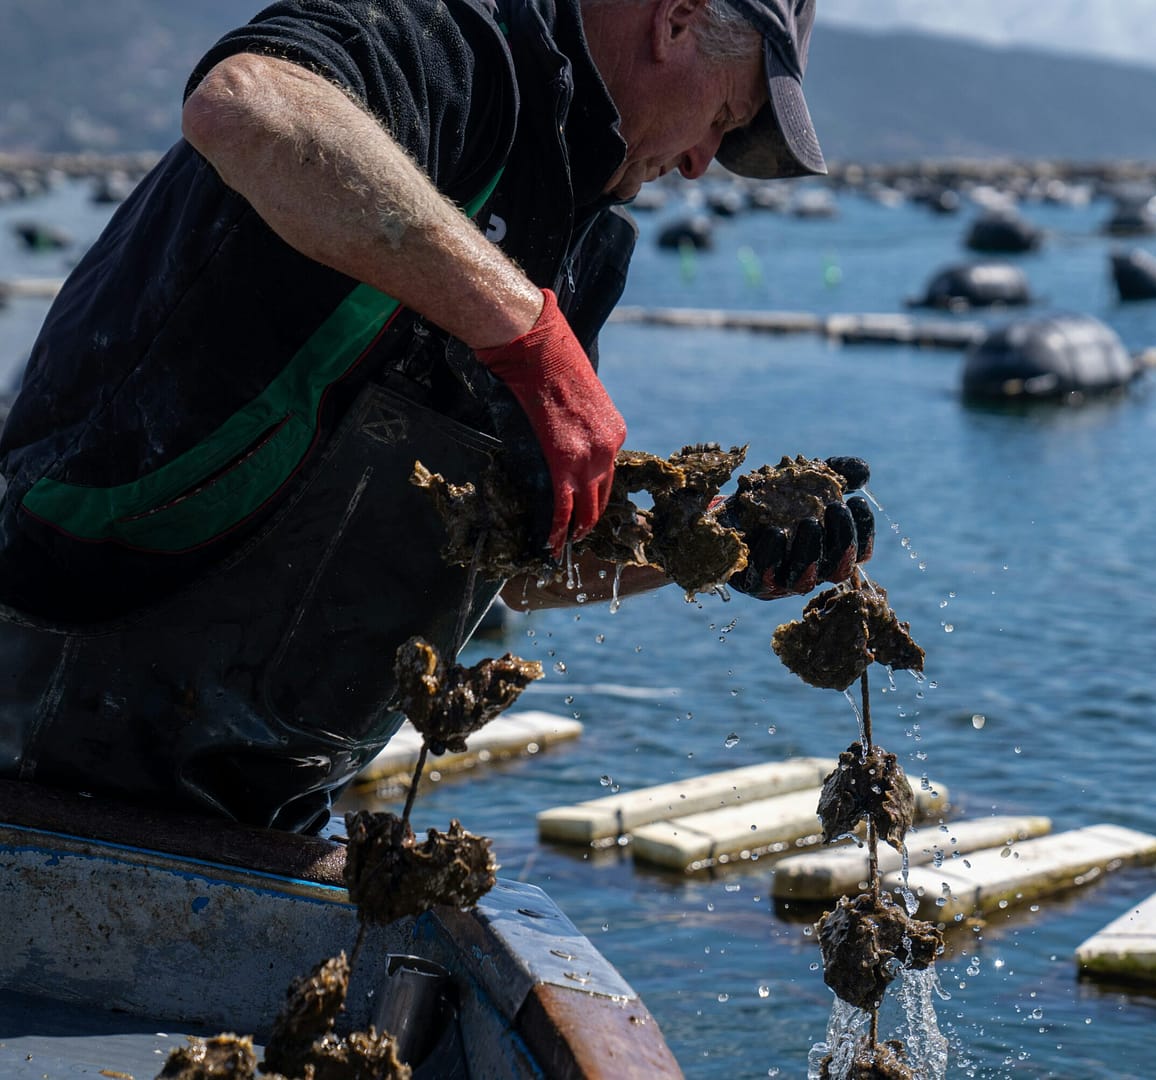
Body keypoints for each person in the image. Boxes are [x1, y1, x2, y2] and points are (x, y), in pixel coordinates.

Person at [0, 0, 872, 833]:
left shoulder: (582, 238)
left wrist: (707, 548)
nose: (699, 163)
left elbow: (507, 567)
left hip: (267, 806)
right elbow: (244, 107)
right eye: (721, 117)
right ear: (676, 17)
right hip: (41, 712)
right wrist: (528, 336)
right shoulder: (445, 47)